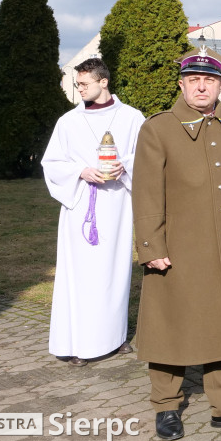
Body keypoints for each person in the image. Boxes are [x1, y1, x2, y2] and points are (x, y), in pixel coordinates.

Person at [132, 45, 221, 441]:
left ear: (219, 85)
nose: (200, 87)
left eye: (208, 80)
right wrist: (150, 246)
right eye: (193, 80)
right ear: (182, 84)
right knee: (169, 323)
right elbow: (145, 194)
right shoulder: (157, 128)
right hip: (177, 245)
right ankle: (166, 406)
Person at [42, 57, 145, 365]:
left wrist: (123, 166)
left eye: (84, 84)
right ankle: (79, 342)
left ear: (104, 82)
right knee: (81, 275)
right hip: (79, 209)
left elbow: (145, 157)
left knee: (113, 273)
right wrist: (80, 171)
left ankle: (113, 338)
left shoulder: (131, 117)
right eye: (78, 84)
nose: (79, 89)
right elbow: (52, 163)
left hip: (116, 206)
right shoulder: (68, 122)